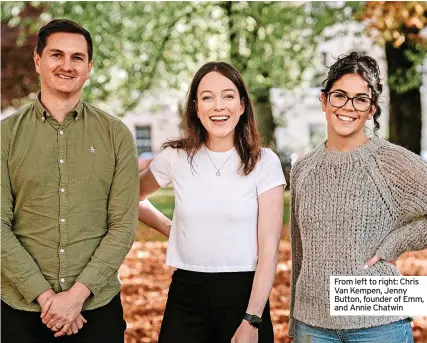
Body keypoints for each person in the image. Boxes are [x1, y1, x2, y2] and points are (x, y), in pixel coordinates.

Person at [1, 19, 138, 343]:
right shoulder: (5, 136)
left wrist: (76, 296)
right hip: (18, 311)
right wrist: (47, 298)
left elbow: (122, 226)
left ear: (89, 67)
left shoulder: (115, 135)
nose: (67, 65)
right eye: (56, 55)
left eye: (77, 57)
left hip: (96, 310)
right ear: (38, 60)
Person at [138, 61, 286, 343]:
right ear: (196, 107)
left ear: (242, 105)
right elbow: (130, 198)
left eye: (228, 96)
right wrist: (173, 230)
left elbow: (269, 250)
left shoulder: (264, 162)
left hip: (245, 299)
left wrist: (252, 319)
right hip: (186, 298)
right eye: (207, 97)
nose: (218, 106)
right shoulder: (175, 158)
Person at [288, 52, 427, 342]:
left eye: (360, 99)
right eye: (339, 95)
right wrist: (295, 322)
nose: (348, 107)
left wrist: (396, 243)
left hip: (379, 323)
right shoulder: (303, 169)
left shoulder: (391, 162)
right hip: (313, 326)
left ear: (371, 109)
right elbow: (300, 254)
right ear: (324, 101)